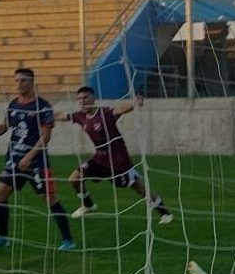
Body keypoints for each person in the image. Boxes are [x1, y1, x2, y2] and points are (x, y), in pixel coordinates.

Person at [0, 67, 76, 251]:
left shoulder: (43, 106)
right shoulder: (13, 104)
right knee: (0, 194)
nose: (19, 84)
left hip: (37, 161)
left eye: (24, 80)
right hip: (14, 159)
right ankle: (2, 238)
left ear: (32, 82)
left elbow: (46, 136)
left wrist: (29, 157)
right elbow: (5, 126)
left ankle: (68, 240)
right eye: (17, 80)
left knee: (49, 198)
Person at [65, 87, 174, 224]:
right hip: (99, 158)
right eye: (79, 99)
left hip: (118, 159)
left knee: (137, 186)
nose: (82, 101)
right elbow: (61, 116)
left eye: (85, 97)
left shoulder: (104, 113)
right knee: (74, 179)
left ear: (93, 98)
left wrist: (134, 103)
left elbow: (119, 110)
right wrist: (41, 114)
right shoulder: (80, 116)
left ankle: (165, 213)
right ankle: (88, 205)